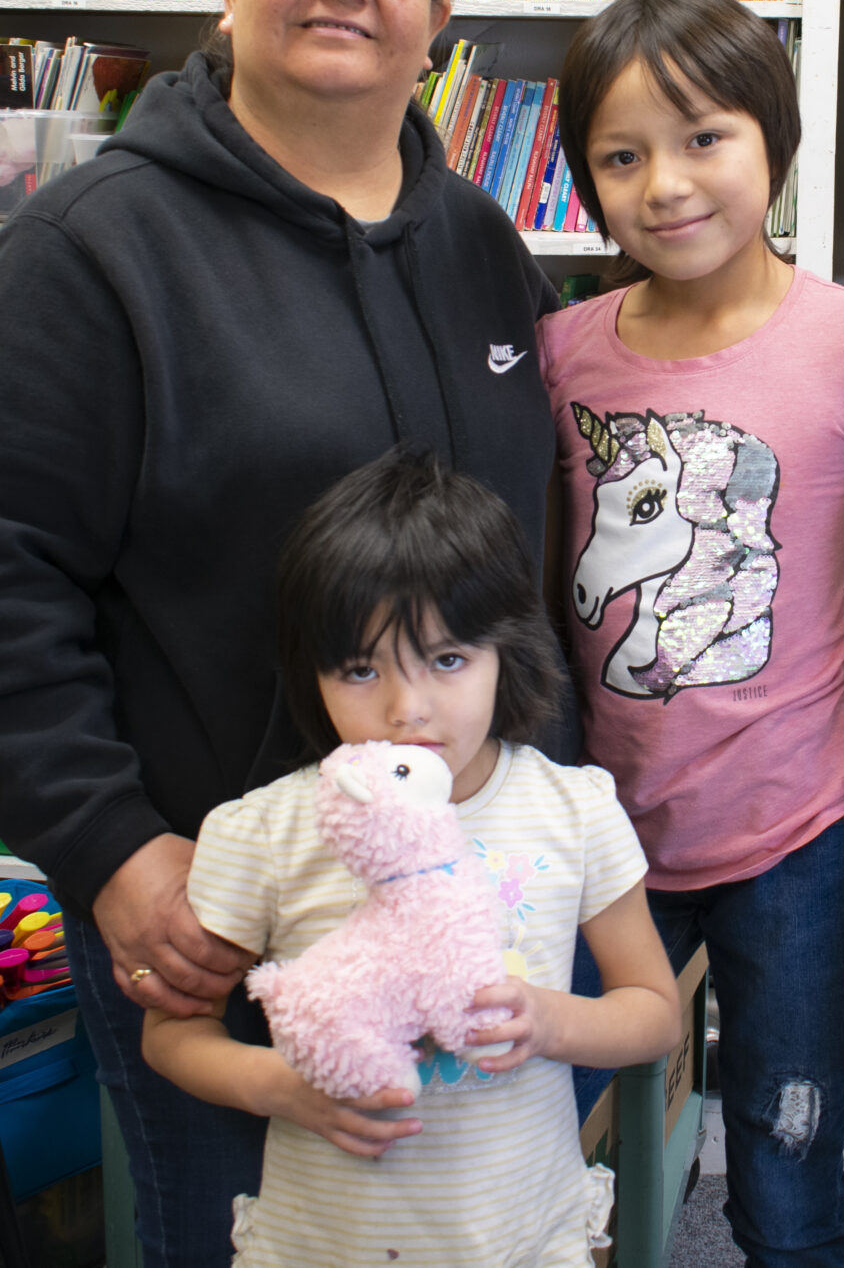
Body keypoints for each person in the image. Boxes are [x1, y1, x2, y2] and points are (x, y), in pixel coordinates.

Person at [0, 0, 563, 1268]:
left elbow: (527, 562)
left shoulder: (480, 243)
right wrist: (113, 851)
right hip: (228, 906)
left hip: (485, 893)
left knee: (480, 1229)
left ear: (439, 14)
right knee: (241, 1241)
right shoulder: (89, 253)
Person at [540, 0, 844, 1267]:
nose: (665, 184)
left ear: (773, 140)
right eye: (620, 155)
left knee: (786, 1146)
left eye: (703, 137)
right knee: (555, 1142)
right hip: (603, 830)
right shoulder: (560, 356)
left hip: (803, 834)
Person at [144, 451, 680, 1268]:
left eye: (448, 659)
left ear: (508, 651)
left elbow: (655, 1009)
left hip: (520, 1240)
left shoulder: (573, 808)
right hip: (323, 1244)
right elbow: (171, 1034)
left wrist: (550, 1019)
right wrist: (280, 1086)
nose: (407, 709)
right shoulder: (266, 829)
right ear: (310, 675)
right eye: (360, 669)